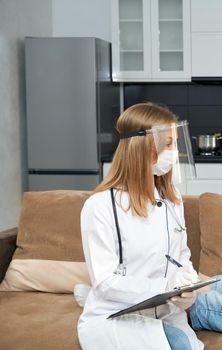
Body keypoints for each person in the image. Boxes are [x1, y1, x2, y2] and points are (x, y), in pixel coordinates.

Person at [77, 103, 203, 350]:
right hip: (118, 315)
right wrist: (165, 286)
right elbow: (105, 283)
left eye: (175, 143)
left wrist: (187, 287)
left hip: (166, 313)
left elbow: (182, 257)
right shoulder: (100, 207)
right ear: (143, 146)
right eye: (168, 144)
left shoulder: (171, 199)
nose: (174, 152)